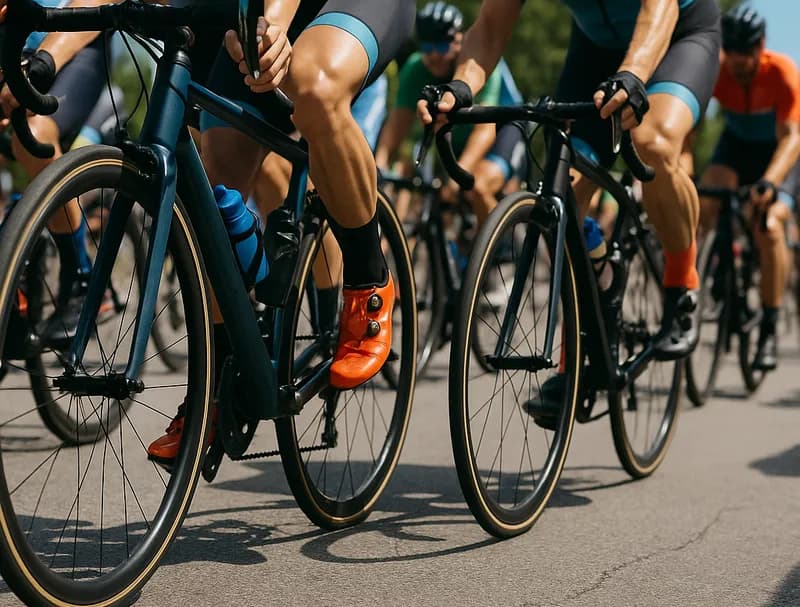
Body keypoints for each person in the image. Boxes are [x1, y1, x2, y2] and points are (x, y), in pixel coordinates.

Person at [418, 0, 720, 428]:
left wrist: (634, 74)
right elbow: (488, 28)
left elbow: (659, 7)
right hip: (595, 49)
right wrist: (460, 88)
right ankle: (578, 351)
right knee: (562, 198)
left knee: (653, 141)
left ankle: (682, 281)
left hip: (678, 34)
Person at [146, 0, 415, 466]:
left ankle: (368, 281)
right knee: (216, 182)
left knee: (315, 85)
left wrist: (274, 23)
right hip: (251, 14)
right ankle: (219, 381)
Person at [0, 0, 116, 348]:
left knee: (34, 135)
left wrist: (39, 66)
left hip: (75, 42)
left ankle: (80, 276)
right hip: (13, 39)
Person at [699, 6, 800, 372]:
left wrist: (770, 182)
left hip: (779, 152)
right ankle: (718, 267)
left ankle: (769, 328)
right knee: (705, 200)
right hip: (736, 148)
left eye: (746, 51)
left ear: (761, 45)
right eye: (732, 51)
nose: (739, 60)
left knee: (769, 227)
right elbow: (693, 121)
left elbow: (792, 137)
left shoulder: (781, 72)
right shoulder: (718, 70)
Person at [376, 1, 527, 226]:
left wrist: (458, 177)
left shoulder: (477, 61)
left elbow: (484, 131)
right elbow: (397, 124)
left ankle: (498, 244)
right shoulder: (415, 69)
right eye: (427, 47)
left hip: (503, 129)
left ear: (458, 40)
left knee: (478, 187)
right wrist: (378, 167)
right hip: (458, 135)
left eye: (441, 47)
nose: (434, 55)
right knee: (441, 201)